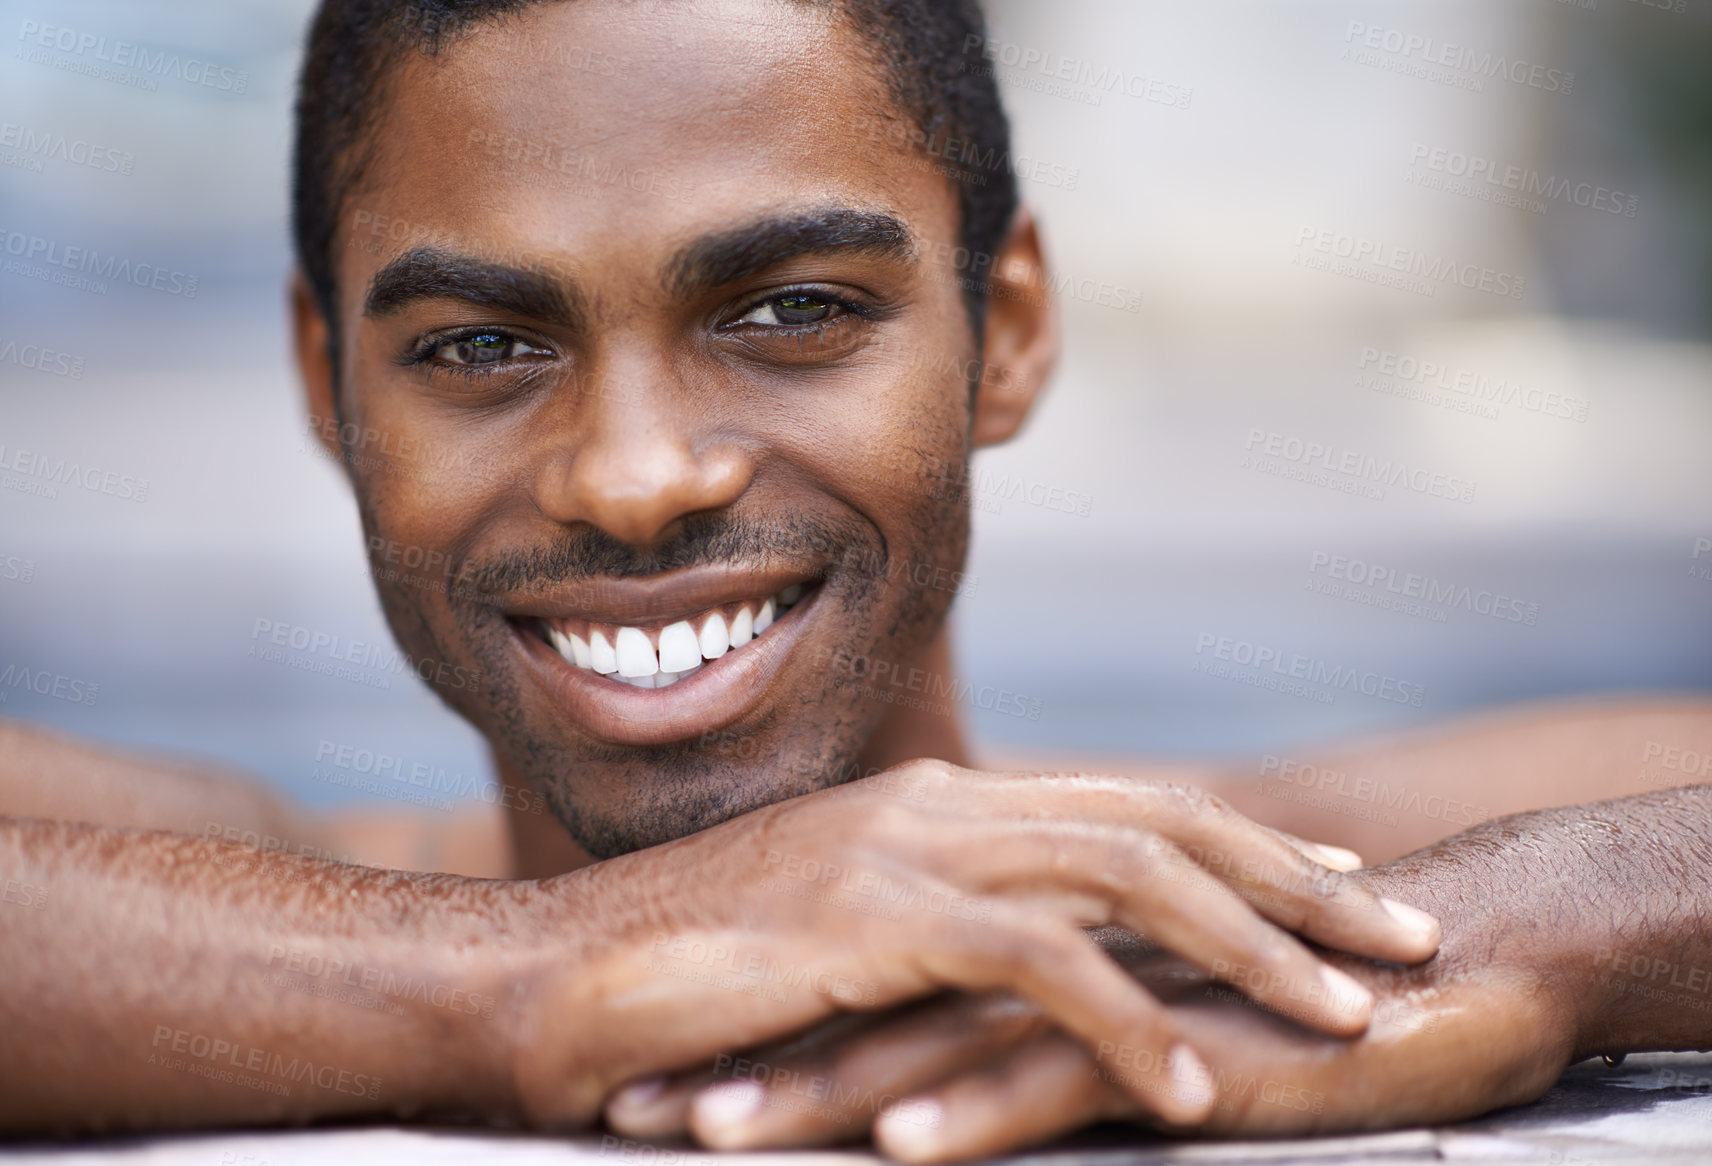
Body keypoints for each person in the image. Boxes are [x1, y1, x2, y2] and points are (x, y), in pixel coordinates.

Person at [1, 1, 1707, 1160]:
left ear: (1006, 332)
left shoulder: (1260, 889)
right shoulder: (238, 895)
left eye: (791, 309)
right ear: (330, 387)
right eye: (477, 343)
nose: (635, 474)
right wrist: (532, 974)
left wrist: (1514, 934)